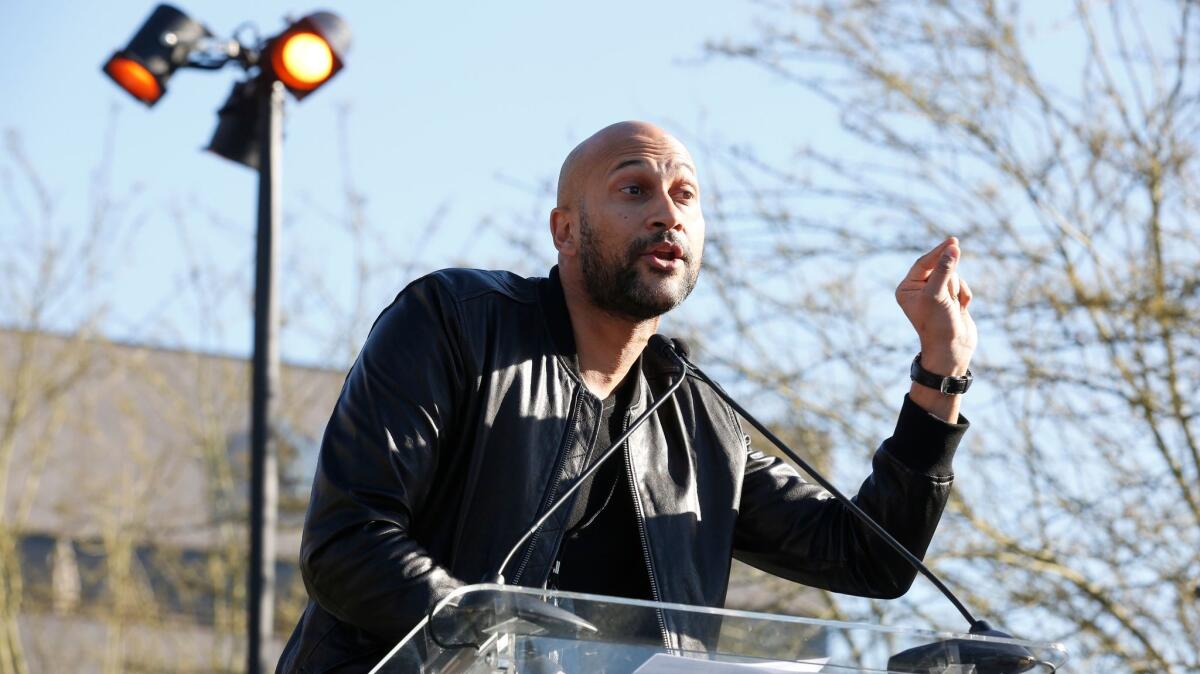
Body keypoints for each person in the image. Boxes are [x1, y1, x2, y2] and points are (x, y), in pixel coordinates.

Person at [276, 121, 976, 673]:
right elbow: (347, 542)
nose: (668, 214)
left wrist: (940, 371)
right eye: (634, 189)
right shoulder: (456, 321)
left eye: (686, 197)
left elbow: (871, 558)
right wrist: (488, 634)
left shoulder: (701, 424)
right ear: (565, 231)